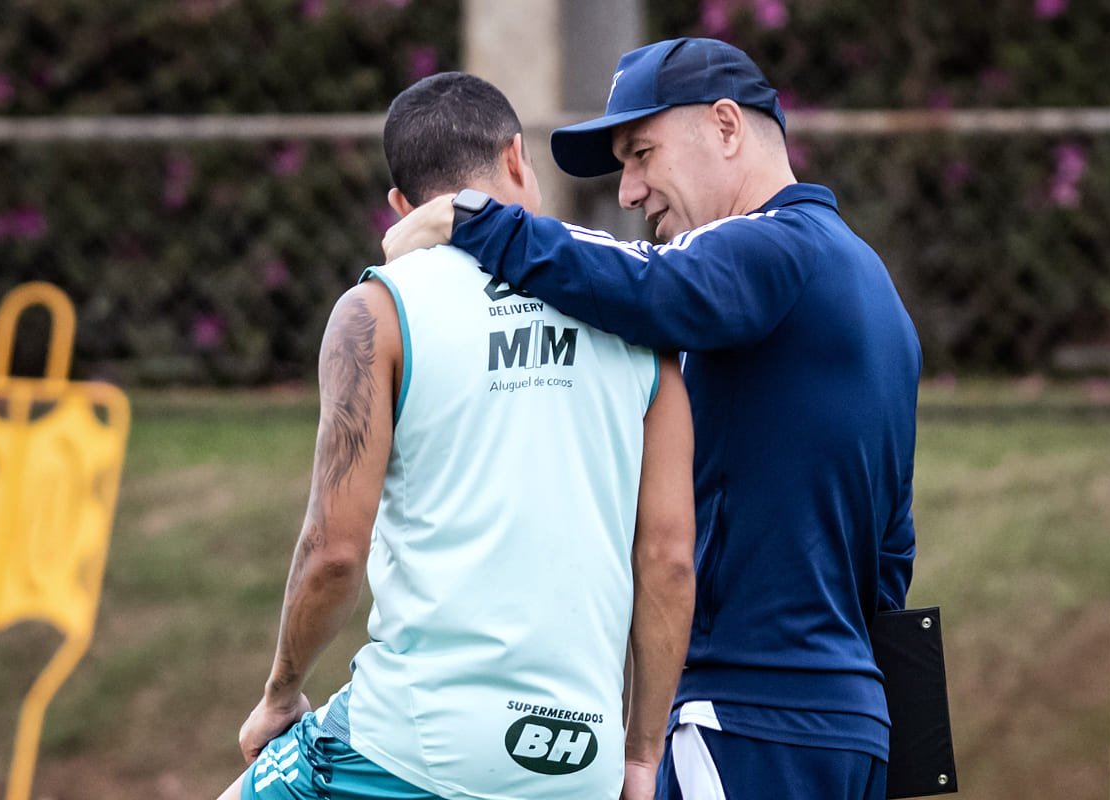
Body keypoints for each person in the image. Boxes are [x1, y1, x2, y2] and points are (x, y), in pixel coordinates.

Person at [382, 37, 921, 800]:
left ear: (727, 127)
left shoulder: (773, 248)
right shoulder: (874, 287)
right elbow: (892, 552)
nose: (629, 190)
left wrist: (472, 223)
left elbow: (647, 286)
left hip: (747, 717)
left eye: (641, 153)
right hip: (849, 726)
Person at [217, 71, 696, 800]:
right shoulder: (636, 294)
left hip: (411, 745)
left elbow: (334, 552)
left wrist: (281, 691)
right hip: (580, 763)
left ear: (402, 207)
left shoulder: (378, 308)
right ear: (516, 159)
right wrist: (639, 757)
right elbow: (666, 560)